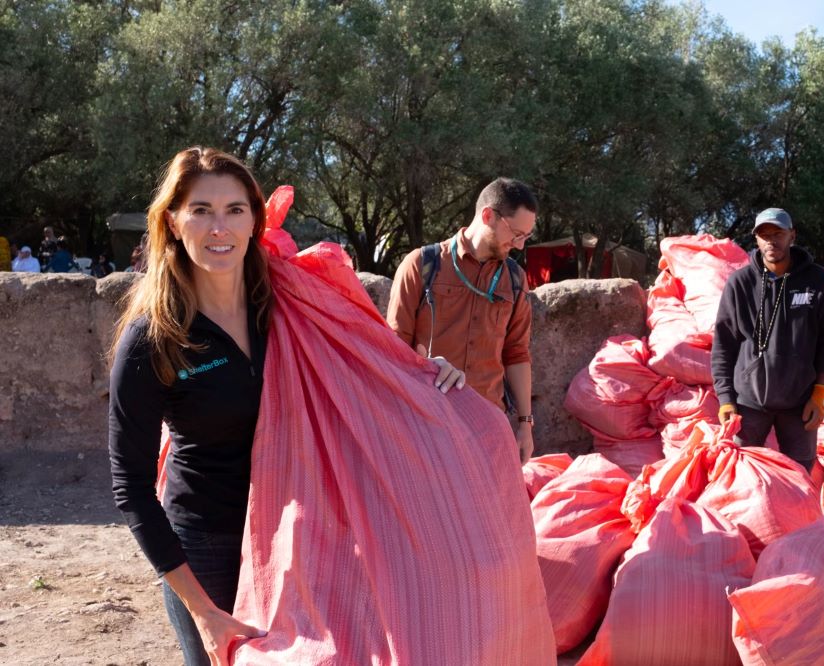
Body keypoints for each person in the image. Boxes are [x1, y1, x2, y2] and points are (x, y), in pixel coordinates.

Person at [107, 146, 468, 665]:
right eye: (201, 210)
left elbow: (364, 370)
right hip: (209, 548)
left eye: (234, 210)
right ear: (172, 220)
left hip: (302, 538)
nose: (219, 228)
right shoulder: (153, 339)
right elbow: (132, 489)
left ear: (255, 219)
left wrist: (425, 374)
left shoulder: (289, 306)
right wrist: (204, 612)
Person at [386, 177, 537, 462]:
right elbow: (393, 350)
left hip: (488, 429)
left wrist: (524, 426)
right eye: (516, 233)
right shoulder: (421, 265)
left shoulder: (515, 279)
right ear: (488, 215)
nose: (518, 245)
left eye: (525, 237)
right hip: (427, 425)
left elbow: (517, 353)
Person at [711, 207, 824, 472]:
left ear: (792, 235)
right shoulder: (740, 283)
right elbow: (724, 344)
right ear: (756, 240)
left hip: (800, 403)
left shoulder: (817, 281)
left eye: (778, 233)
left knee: (800, 477)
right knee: (744, 477)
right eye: (764, 234)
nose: (771, 240)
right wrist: (725, 398)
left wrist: (819, 393)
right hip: (748, 404)